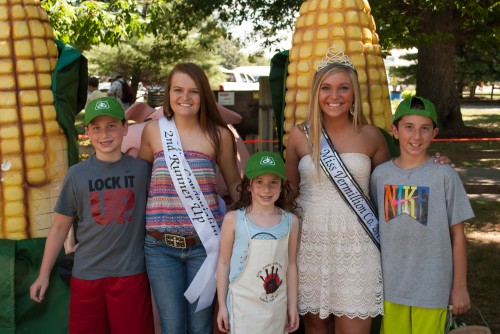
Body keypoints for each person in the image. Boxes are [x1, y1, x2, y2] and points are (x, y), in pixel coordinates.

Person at [284, 46, 388, 334]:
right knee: (316, 330)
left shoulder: (372, 136)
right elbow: (287, 197)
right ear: (316, 92)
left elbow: (391, 189)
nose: (335, 96)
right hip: (309, 243)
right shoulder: (299, 136)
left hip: (357, 245)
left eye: (344, 88)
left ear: (354, 92)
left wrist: (434, 164)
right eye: (326, 88)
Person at [30, 97, 154, 334]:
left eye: (111, 126)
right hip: (87, 276)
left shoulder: (141, 170)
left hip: (131, 275)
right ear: (87, 132)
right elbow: (59, 228)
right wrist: (43, 274)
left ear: (125, 127)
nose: (104, 134)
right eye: (96, 128)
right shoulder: (77, 174)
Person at [137, 62, 241, 334]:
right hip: (160, 247)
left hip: (204, 248)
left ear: (203, 95)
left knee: (200, 327)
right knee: (172, 328)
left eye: (193, 91)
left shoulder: (220, 135)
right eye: (178, 90)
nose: (185, 97)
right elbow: (139, 184)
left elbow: (235, 187)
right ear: (168, 94)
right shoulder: (153, 131)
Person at [370, 96, 474, 334]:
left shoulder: (444, 175)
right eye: (408, 127)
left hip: (432, 289)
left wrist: (459, 287)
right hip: (391, 288)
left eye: (424, 129)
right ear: (395, 131)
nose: (416, 137)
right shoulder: (380, 175)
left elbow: (458, 235)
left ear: (434, 133)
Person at [216, 151, 300, 334]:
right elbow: (223, 263)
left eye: (273, 183)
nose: (266, 189)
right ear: (249, 186)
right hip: (242, 309)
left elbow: (291, 265)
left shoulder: (291, 222)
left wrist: (292, 305)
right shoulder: (234, 220)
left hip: (275, 310)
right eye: (259, 182)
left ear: (282, 185)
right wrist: (222, 305)